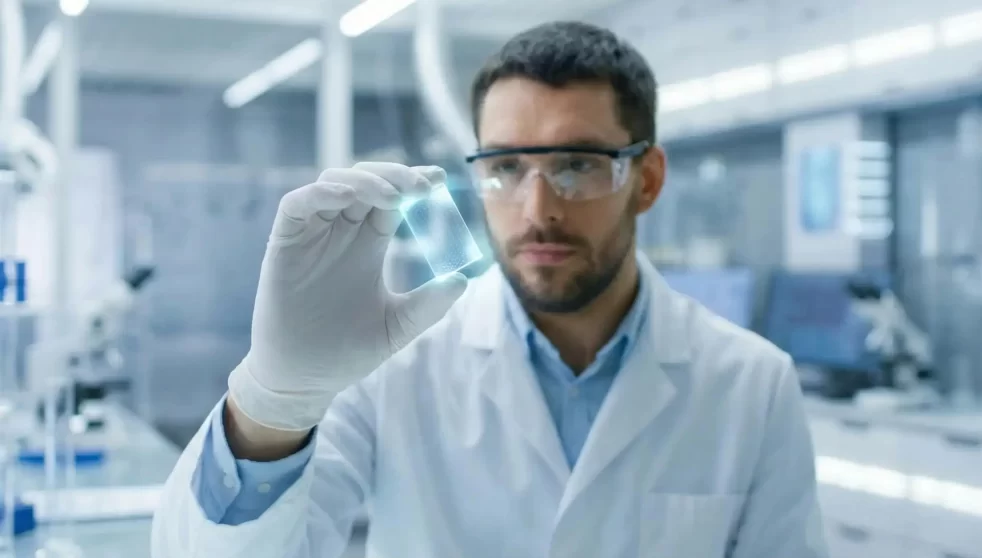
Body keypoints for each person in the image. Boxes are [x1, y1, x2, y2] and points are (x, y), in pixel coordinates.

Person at [152, 21, 828, 558]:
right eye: (505, 166)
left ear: (646, 179)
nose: (537, 210)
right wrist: (272, 403)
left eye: (577, 166)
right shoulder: (393, 362)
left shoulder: (752, 384)